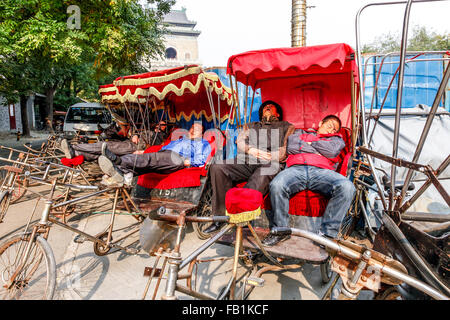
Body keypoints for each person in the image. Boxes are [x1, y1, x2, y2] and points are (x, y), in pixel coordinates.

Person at [261, 115, 356, 246]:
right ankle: (280, 231)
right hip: (296, 169)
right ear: (321, 123)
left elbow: (332, 152)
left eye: (334, 129)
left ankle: (326, 234)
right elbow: (292, 147)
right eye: (329, 126)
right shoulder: (300, 132)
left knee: (347, 187)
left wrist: (310, 143)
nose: (331, 131)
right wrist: (319, 149)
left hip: (322, 172)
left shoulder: (337, 139)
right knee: (277, 185)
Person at [203, 100, 296, 234]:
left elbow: (287, 148)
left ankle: (243, 220)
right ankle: (220, 218)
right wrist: (250, 150)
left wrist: (271, 155)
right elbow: (240, 141)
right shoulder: (251, 125)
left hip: (271, 161)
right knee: (218, 167)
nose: (267, 107)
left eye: (271, 107)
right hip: (248, 158)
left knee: (260, 175)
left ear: (279, 114)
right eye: (265, 107)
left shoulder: (287, 127)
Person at [98, 122, 211, 186]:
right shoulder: (180, 139)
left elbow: (203, 159)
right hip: (165, 155)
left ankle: (119, 162)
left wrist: (187, 162)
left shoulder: (202, 143)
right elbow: (162, 148)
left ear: (201, 133)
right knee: (148, 160)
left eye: (196, 129)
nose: (192, 130)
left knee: (150, 159)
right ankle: (122, 172)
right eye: (191, 127)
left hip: (177, 158)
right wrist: (146, 151)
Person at [60, 120, 168, 162]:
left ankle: (74, 148)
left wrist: (142, 150)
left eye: (163, 125)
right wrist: (135, 135)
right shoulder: (149, 130)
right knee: (102, 151)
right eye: (160, 124)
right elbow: (138, 134)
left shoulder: (160, 135)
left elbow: (156, 147)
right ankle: (76, 153)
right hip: (129, 143)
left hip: (135, 148)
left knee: (105, 146)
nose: (161, 126)